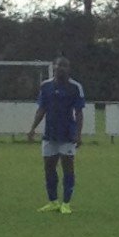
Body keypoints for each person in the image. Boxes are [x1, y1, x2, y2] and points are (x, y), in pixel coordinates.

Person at [26, 56, 85, 214]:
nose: (61, 68)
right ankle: (53, 201)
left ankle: (66, 203)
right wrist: (32, 129)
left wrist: (78, 135)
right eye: (58, 66)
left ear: (69, 69)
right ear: (54, 67)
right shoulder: (45, 86)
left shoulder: (75, 87)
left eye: (64, 66)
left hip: (67, 135)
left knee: (68, 168)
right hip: (49, 134)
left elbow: (79, 113)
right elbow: (42, 109)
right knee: (49, 168)